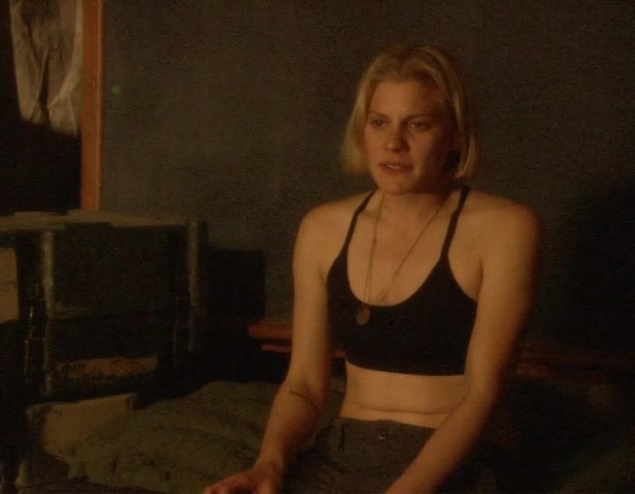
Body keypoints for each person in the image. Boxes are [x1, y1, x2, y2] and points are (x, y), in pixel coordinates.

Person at [204, 44, 542, 493]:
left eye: (417, 125)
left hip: (454, 456)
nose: (393, 143)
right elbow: (304, 384)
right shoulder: (323, 228)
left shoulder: (505, 228)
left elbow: (483, 394)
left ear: (455, 135)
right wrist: (269, 465)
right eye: (379, 122)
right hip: (346, 451)